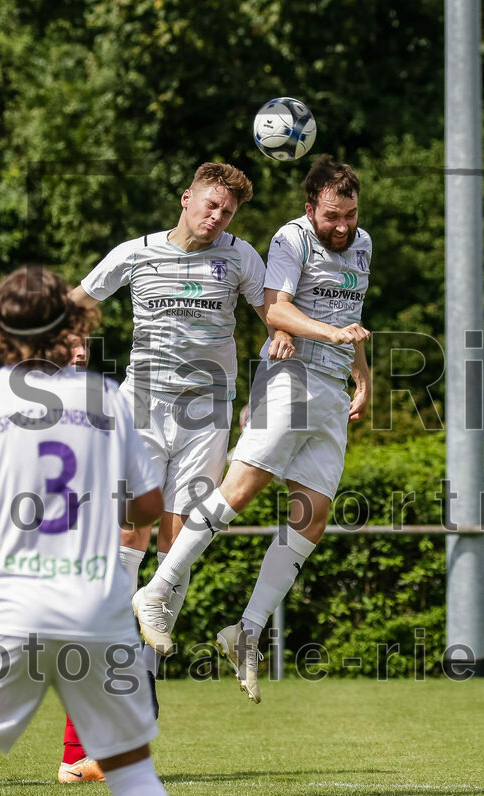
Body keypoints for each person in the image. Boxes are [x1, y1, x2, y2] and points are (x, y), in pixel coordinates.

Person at [49, 163, 293, 783]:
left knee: (177, 541)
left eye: (228, 212)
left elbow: (271, 307)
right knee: (130, 539)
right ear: (186, 199)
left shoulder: (239, 257)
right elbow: (75, 302)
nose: (217, 218)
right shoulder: (136, 254)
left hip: (206, 416)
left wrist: (283, 334)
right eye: (210, 205)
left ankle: (140, 670)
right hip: (142, 409)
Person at [132, 154, 372, 704]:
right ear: (311, 208)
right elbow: (276, 311)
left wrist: (363, 372)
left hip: (332, 390)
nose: (343, 226)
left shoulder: (363, 244)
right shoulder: (291, 240)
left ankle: (247, 630)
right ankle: (157, 590)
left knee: (312, 516)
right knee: (239, 490)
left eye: (351, 215)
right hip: (290, 379)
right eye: (332, 215)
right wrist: (332, 336)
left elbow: (354, 309)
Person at [0, 266, 166, 796]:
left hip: (10, 608)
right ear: (70, 324)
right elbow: (148, 508)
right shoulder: (106, 398)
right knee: (133, 773)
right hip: (97, 608)